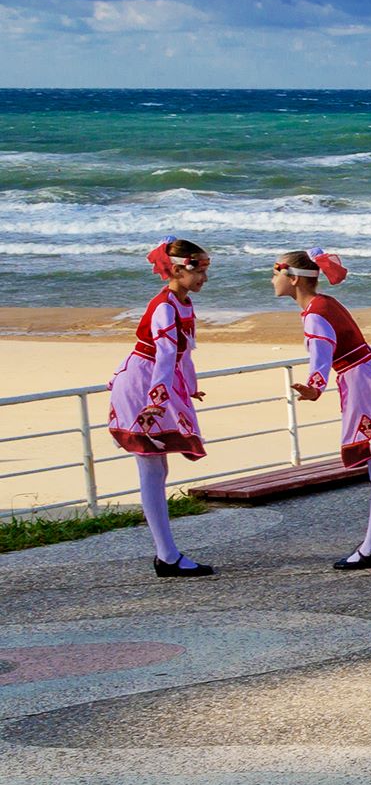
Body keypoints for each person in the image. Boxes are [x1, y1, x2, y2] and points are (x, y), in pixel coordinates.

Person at [278, 247, 371, 571]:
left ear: (294, 279)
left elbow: (322, 354)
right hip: (368, 377)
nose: (273, 280)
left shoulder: (315, 312)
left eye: (276, 273)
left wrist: (315, 386)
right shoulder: (325, 304)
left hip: (362, 385)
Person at [105, 238, 213, 578]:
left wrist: (188, 386)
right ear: (177, 269)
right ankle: (166, 555)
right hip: (143, 384)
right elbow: (164, 354)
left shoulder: (183, 303)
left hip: (156, 384)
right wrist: (157, 399)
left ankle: (167, 553)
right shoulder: (165, 306)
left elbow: (183, 352)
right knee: (152, 470)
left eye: (206, 271)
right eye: (199, 271)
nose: (203, 278)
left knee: (157, 470)